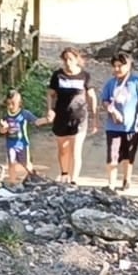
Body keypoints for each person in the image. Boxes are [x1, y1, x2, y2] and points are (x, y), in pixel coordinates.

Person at [98, 51, 138, 191]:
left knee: (128, 155)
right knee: (112, 154)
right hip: (113, 126)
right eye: (115, 66)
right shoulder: (110, 83)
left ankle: (127, 179)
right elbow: (104, 101)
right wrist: (112, 111)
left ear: (129, 65)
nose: (117, 69)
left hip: (132, 126)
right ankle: (111, 183)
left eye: (120, 66)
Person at [46, 47, 97, 184]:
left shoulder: (85, 76)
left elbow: (91, 96)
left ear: (76, 60)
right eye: (65, 59)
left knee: (76, 150)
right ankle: (64, 173)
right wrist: (50, 109)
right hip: (61, 116)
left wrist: (94, 117)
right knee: (63, 149)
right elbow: (51, 94)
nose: (68, 62)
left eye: (71, 59)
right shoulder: (57, 75)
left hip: (79, 117)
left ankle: (74, 180)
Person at [0, 88, 48, 186]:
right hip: (10, 143)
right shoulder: (6, 116)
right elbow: (1, 131)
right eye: (8, 104)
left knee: (26, 164)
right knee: (11, 162)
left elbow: (36, 121)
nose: (10, 106)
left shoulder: (25, 113)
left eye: (13, 103)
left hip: (22, 144)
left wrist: (47, 119)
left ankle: (33, 176)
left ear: (19, 103)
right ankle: (12, 182)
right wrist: (4, 128)